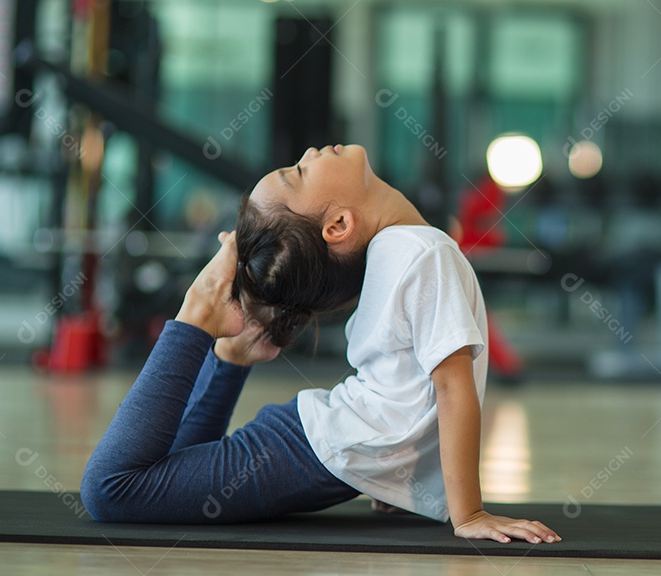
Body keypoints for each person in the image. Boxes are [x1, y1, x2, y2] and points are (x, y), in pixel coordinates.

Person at [80, 144, 560, 545]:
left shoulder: (405, 250)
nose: (310, 152)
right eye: (299, 172)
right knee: (113, 491)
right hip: (311, 448)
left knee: (159, 483)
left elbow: (423, 388)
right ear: (337, 226)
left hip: (321, 444)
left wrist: (399, 480)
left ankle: (231, 353)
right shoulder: (421, 252)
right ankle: (199, 316)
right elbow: (451, 390)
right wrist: (469, 515)